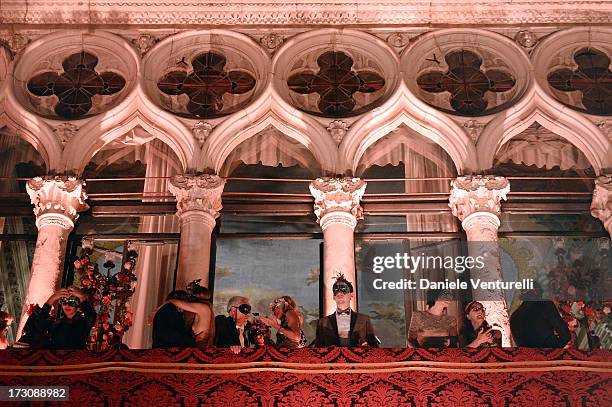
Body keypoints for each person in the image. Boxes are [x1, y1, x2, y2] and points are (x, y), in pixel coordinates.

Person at [17, 286, 96, 349]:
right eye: (64, 302)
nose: (67, 305)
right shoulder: (55, 322)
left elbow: (91, 316)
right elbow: (38, 324)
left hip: (73, 364)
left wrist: (82, 297)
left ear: (78, 306)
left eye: (72, 302)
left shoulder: (83, 323)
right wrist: (51, 299)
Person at [314, 275, 379, 347]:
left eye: (343, 291)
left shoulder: (364, 320)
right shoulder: (323, 323)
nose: (339, 294)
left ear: (351, 295)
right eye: (337, 292)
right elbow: (317, 350)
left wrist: (366, 347)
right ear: (333, 297)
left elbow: (375, 348)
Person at [167, 280, 215, 347]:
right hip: (197, 348)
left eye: (190, 297)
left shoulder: (203, 308)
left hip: (199, 349)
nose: (189, 299)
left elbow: (173, 301)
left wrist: (156, 311)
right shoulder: (203, 309)